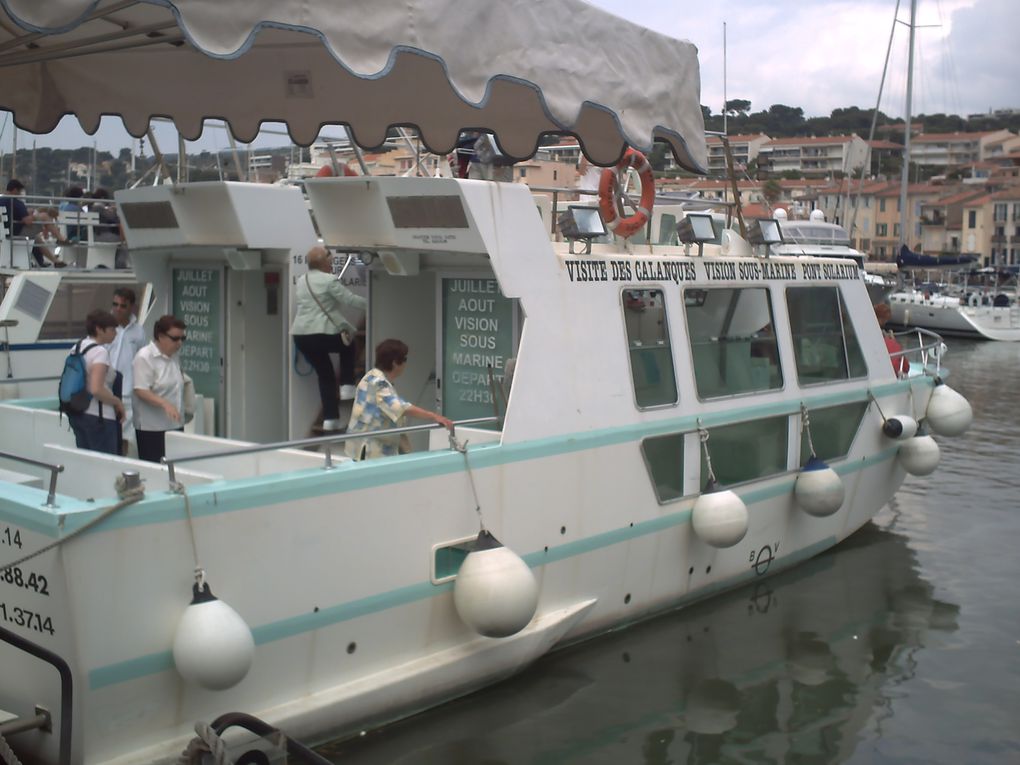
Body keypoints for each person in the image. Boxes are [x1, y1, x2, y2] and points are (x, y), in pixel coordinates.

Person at [291, 245, 367, 431]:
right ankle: (347, 385)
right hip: (322, 333)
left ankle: (330, 419)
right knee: (348, 346)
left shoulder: (302, 280)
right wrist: (373, 302)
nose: (332, 260)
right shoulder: (329, 280)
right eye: (330, 258)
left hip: (301, 336)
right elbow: (348, 299)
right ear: (325, 262)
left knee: (325, 375)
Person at [345, 339, 454, 461]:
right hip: (372, 451)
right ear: (395, 363)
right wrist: (434, 416)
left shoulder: (370, 376)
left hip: (365, 448)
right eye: (405, 359)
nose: (406, 364)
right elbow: (401, 407)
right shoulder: (378, 383)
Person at [67, 309, 125, 455]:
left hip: (78, 414)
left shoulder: (77, 347)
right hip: (99, 417)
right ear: (99, 329)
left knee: (87, 462)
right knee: (105, 464)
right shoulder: (100, 352)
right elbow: (96, 389)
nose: (115, 334)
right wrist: (116, 401)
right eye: (112, 329)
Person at [132, 315, 187, 463]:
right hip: (152, 428)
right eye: (175, 339)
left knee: (176, 468)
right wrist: (165, 404)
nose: (179, 343)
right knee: (157, 469)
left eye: (183, 339)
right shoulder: (144, 357)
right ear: (161, 336)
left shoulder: (174, 357)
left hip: (175, 424)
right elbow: (140, 389)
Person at [108, 288, 147, 455]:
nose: (117, 309)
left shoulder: (139, 332)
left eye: (122, 306)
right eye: (115, 304)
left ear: (131, 307)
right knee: (108, 435)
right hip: (106, 391)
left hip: (128, 394)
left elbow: (142, 361)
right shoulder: (106, 327)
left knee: (125, 438)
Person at [1, 179, 68, 267]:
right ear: (15, 190)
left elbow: (13, 216)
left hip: (4, 232)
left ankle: (54, 261)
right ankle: (61, 239)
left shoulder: (1, 199)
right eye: (20, 192)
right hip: (16, 231)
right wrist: (34, 215)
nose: (20, 194)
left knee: (36, 238)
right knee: (44, 216)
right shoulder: (16, 202)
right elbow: (28, 221)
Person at [874, 303, 909, 375]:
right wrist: (892, 340)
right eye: (885, 319)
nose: (885, 322)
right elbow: (905, 368)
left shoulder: (876, 332)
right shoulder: (887, 341)